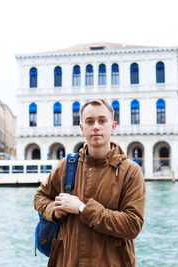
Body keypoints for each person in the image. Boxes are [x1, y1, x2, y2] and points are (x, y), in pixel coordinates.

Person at [33, 99, 146, 266]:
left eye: (102, 120)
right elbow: (39, 197)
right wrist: (55, 211)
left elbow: (132, 225)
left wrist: (82, 208)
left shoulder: (130, 171)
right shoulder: (66, 165)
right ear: (82, 128)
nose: (96, 126)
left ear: (113, 126)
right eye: (89, 121)